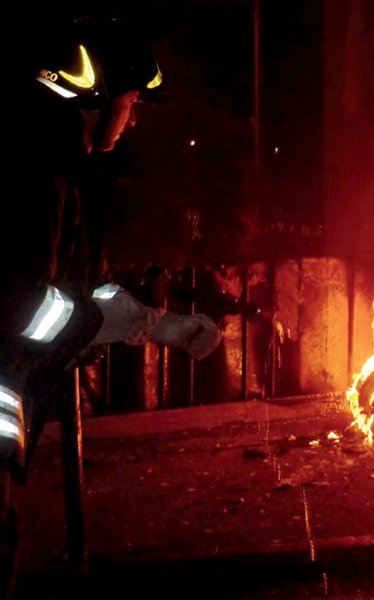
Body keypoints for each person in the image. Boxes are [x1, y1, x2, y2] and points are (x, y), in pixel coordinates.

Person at [0, 15, 221, 593]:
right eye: (131, 101)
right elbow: (19, 306)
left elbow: (69, 287)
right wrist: (102, 320)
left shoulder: (54, 169)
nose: (135, 116)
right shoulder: (31, 176)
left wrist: (153, 324)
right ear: (93, 96)